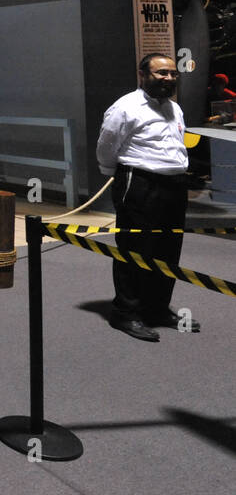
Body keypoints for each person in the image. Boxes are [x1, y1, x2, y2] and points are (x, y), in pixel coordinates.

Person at [95, 53, 200, 341]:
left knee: (168, 248)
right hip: (140, 183)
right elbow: (107, 144)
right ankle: (125, 313)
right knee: (135, 248)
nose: (167, 78)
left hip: (174, 185)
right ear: (143, 75)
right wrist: (112, 172)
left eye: (171, 73)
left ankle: (157, 308)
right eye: (160, 73)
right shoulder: (125, 107)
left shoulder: (174, 109)